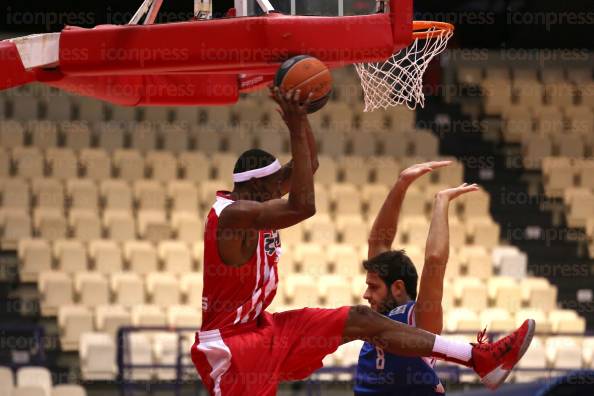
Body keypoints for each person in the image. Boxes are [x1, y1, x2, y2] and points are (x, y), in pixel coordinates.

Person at [190, 87, 535, 396]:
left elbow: (309, 167)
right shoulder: (235, 216)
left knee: (358, 317)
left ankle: (479, 360)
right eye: (279, 181)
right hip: (231, 346)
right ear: (258, 187)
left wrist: (303, 114)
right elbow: (303, 205)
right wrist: (295, 125)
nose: (286, 184)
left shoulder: (256, 203)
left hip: (263, 328)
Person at [354, 161, 480, 395]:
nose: (365, 294)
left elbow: (434, 260)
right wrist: (402, 183)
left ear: (398, 288)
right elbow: (378, 242)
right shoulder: (376, 319)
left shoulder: (419, 318)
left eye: (373, 287)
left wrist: (441, 203)